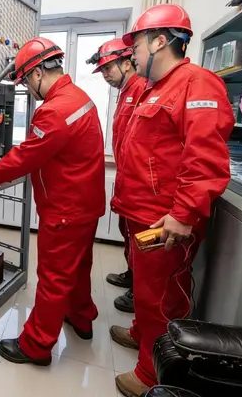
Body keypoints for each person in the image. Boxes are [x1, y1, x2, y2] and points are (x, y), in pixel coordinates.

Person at [109, 4, 235, 397]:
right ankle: (140, 335)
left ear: (160, 41)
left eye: (136, 47)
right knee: (147, 293)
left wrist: (183, 214)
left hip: (166, 220)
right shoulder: (153, 88)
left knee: (161, 299)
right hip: (141, 212)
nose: (133, 55)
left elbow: (206, 159)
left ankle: (152, 373)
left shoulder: (197, 84)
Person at [0, 37, 106, 366]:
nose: (28, 90)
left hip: (65, 210)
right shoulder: (80, 98)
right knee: (79, 269)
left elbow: (26, 156)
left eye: (25, 82)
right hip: (85, 206)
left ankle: (36, 345)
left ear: (36, 74)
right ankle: (82, 318)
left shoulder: (55, 110)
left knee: (53, 278)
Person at [89, 39, 147, 315]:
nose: (105, 75)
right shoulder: (126, 92)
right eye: (102, 70)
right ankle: (132, 275)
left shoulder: (143, 89)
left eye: (108, 68)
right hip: (128, 180)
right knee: (129, 234)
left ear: (126, 63)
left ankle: (140, 291)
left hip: (141, 184)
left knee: (141, 241)